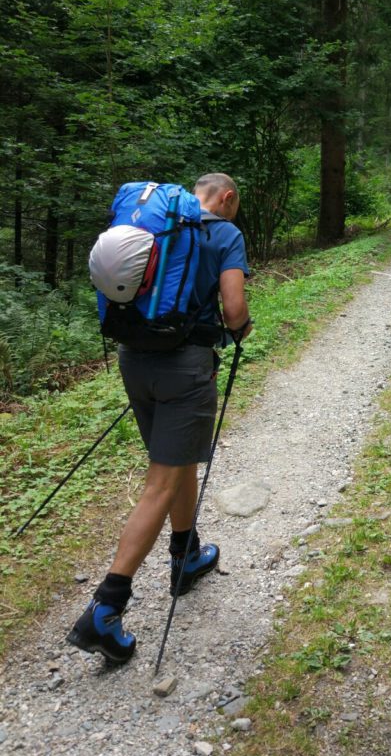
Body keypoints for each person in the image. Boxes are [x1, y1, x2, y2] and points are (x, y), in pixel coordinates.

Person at [67, 173, 252, 664]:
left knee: (178, 462)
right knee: (161, 482)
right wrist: (242, 329)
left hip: (135, 360)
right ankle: (106, 609)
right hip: (186, 368)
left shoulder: (155, 228)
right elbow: (233, 308)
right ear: (227, 198)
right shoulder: (224, 233)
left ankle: (185, 556)